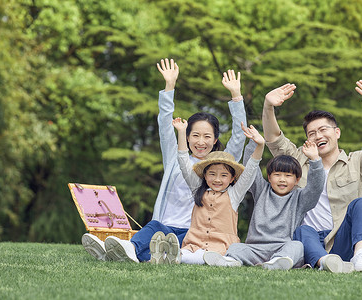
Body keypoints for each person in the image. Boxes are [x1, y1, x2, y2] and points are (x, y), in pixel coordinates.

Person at [81, 58, 247, 263]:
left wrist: (236, 96)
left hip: (195, 233)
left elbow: (239, 136)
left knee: (164, 248)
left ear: (215, 140)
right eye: (195, 135)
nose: (201, 142)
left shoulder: (222, 165)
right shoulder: (175, 157)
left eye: (207, 136)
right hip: (164, 224)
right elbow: (164, 123)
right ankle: (128, 248)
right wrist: (169, 86)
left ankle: (122, 253)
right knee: (153, 229)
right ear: (186, 136)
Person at [261, 80, 362, 272]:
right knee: (302, 230)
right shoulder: (298, 159)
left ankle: (359, 258)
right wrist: (268, 106)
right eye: (312, 133)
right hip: (308, 241)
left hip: (343, 242)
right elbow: (273, 139)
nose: (318, 136)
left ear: (337, 132)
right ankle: (324, 262)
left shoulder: (358, 162)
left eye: (323, 130)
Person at [203, 120, 325, 270]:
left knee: (297, 246)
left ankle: (278, 262)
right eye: (277, 175)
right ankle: (230, 260)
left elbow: (316, 187)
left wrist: (315, 160)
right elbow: (250, 170)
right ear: (269, 176)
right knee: (236, 247)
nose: (282, 179)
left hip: (283, 247)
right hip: (255, 248)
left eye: (288, 176)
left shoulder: (300, 198)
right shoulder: (261, 190)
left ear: (297, 180)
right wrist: (254, 144)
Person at [153, 118, 264, 265]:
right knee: (191, 254)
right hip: (194, 245)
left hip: (221, 248)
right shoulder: (197, 189)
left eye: (224, 175)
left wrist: (260, 145)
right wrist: (181, 132)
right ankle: (175, 255)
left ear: (232, 179)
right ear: (204, 175)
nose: (217, 179)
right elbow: (183, 162)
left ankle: (175, 257)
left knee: (214, 256)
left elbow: (251, 171)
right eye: (212, 174)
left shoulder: (234, 194)